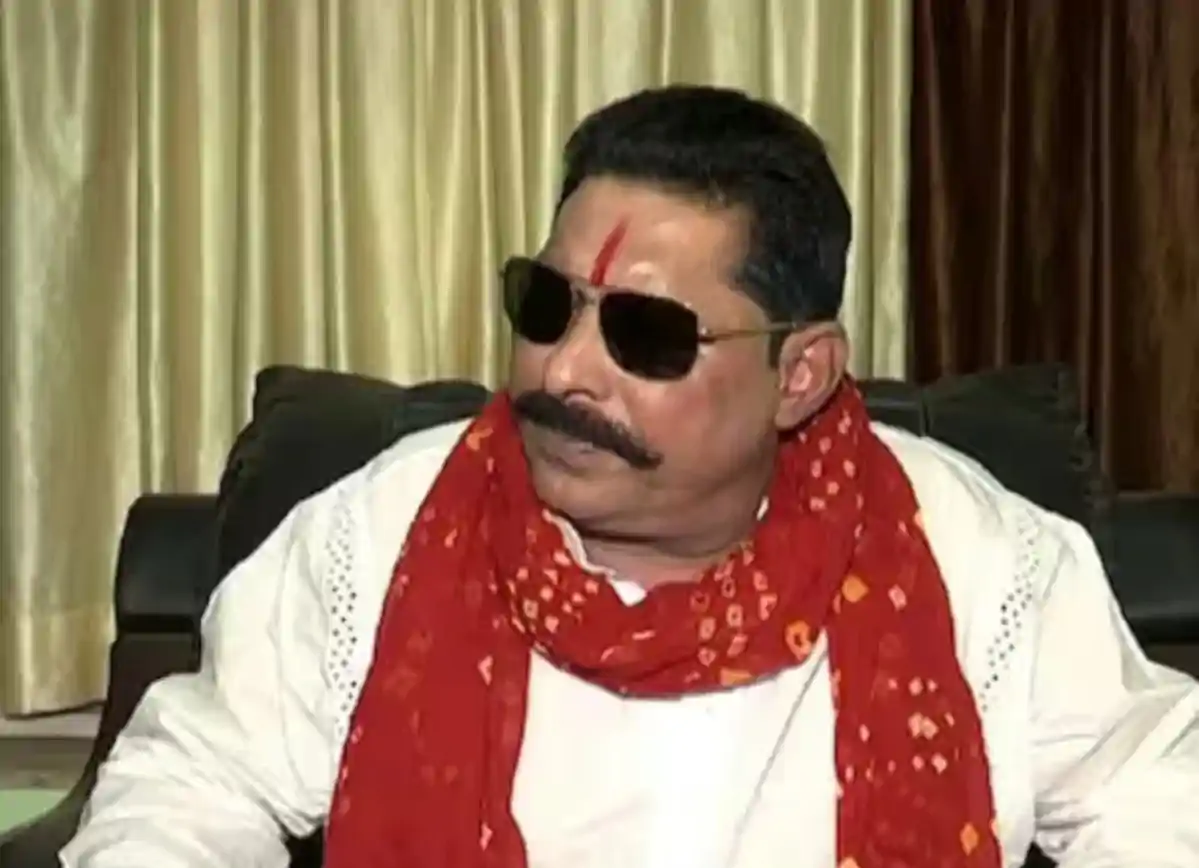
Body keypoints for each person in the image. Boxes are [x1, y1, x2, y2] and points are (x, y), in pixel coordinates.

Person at [63, 86, 1199, 868]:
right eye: (545, 304)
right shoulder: (384, 530)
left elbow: (1156, 800)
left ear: (799, 373)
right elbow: (188, 787)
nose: (563, 370)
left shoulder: (978, 560)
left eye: (645, 335)